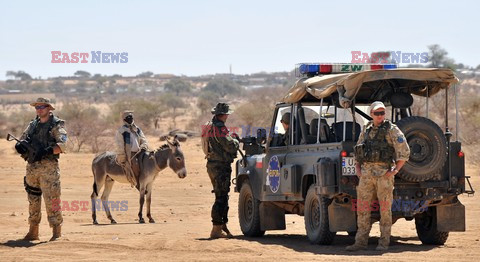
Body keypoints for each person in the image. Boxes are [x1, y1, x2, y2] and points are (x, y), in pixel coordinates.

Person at [346, 101, 410, 251]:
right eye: (377, 113)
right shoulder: (366, 129)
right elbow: (359, 149)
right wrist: (357, 168)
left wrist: (395, 171)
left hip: (384, 175)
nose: (380, 115)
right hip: (366, 175)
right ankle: (360, 242)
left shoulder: (392, 130)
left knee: (385, 209)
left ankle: (383, 243)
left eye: (382, 113)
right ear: (371, 114)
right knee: (362, 208)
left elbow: (404, 152)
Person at [15, 97, 67, 241]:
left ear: (49, 108)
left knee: (53, 199)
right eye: (37, 107)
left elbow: (63, 146)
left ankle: (57, 233)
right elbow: (24, 138)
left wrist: (46, 151)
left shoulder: (56, 125)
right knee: (33, 199)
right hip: (32, 168)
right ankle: (33, 231)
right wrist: (21, 147)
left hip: (49, 169)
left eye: (42, 107)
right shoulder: (33, 125)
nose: (39, 109)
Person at [205, 103, 239, 238]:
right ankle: (216, 229)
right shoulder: (219, 128)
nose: (228, 116)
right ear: (223, 114)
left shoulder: (210, 126)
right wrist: (235, 140)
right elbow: (230, 146)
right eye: (227, 114)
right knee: (221, 198)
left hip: (214, 165)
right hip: (220, 166)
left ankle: (222, 226)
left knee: (223, 196)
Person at [114, 110, 149, 188]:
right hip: (130, 154)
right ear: (124, 119)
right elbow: (119, 145)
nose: (130, 119)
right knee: (135, 166)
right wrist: (123, 156)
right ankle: (137, 184)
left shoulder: (137, 129)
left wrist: (144, 146)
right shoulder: (121, 131)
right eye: (128, 117)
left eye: (131, 117)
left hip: (141, 151)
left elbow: (144, 139)